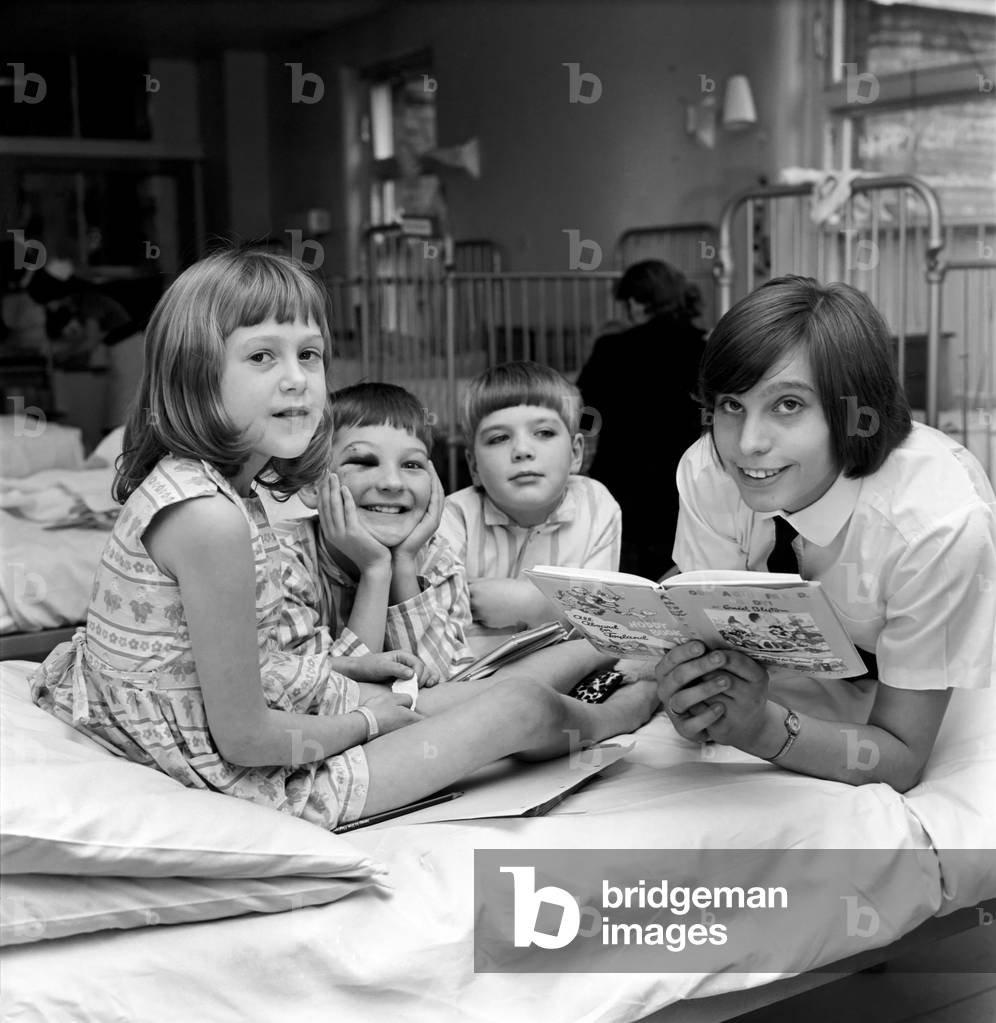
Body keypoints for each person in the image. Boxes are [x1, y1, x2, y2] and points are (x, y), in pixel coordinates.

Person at [30, 248, 657, 830]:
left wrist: (346, 668)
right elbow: (246, 741)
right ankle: (625, 710)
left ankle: (612, 654)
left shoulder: (221, 491)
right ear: (194, 375)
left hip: (268, 708)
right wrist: (365, 721)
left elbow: (229, 659)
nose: (297, 379)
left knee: (519, 670)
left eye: (309, 355)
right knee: (519, 705)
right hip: (250, 774)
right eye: (261, 356)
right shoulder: (207, 518)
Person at [654, 275, 996, 792]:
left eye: (788, 405)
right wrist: (701, 696)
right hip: (797, 677)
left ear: (855, 412)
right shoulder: (710, 470)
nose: (748, 444)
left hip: (933, 681)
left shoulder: (936, 527)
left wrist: (762, 730)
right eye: (731, 405)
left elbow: (902, 756)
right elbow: (717, 643)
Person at [276, 382, 475, 684]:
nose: (392, 483)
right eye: (363, 462)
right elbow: (324, 694)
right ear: (312, 485)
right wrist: (376, 570)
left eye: (412, 464)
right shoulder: (282, 564)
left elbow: (448, 681)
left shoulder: (439, 561)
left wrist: (403, 566)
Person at [438, 360, 621, 649]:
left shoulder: (596, 505)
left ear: (575, 453)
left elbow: (604, 626)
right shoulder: (454, 517)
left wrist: (536, 606)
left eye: (544, 433)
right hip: (472, 673)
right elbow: (437, 632)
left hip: (573, 669)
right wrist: (569, 613)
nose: (522, 450)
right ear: (473, 466)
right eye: (499, 438)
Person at [576, 260, 706, 580]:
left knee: (624, 582)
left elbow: (583, 412)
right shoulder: (704, 347)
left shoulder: (612, 349)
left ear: (636, 302)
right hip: (684, 482)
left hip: (622, 480)